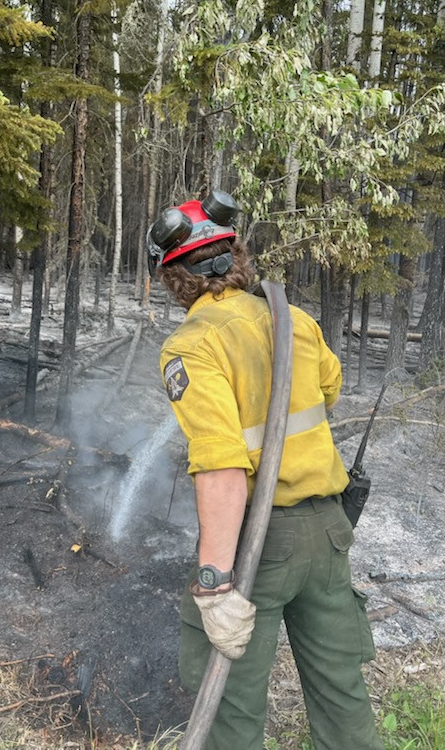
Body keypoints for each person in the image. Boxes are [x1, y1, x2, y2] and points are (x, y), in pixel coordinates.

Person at [148, 191, 384, 750]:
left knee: (229, 707)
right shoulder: (294, 320)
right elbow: (327, 392)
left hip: (259, 544)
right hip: (328, 535)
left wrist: (213, 584)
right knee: (341, 693)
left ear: (175, 276)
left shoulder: (193, 344)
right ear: (237, 257)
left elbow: (223, 468)